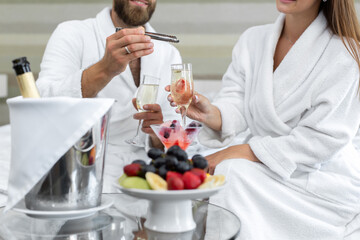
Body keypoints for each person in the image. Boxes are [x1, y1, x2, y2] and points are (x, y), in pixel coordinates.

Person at [168, 0, 360, 239]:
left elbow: (321, 140)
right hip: (263, 165)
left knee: (231, 172)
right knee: (220, 174)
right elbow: (235, 103)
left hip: (317, 176)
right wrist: (211, 113)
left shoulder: (344, 54)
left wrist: (238, 151)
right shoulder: (253, 40)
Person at [36, 0, 181, 192]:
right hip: (81, 167)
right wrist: (105, 69)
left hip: (146, 175)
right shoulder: (72, 33)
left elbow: (177, 135)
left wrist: (157, 134)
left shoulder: (168, 53)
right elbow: (42, 103)